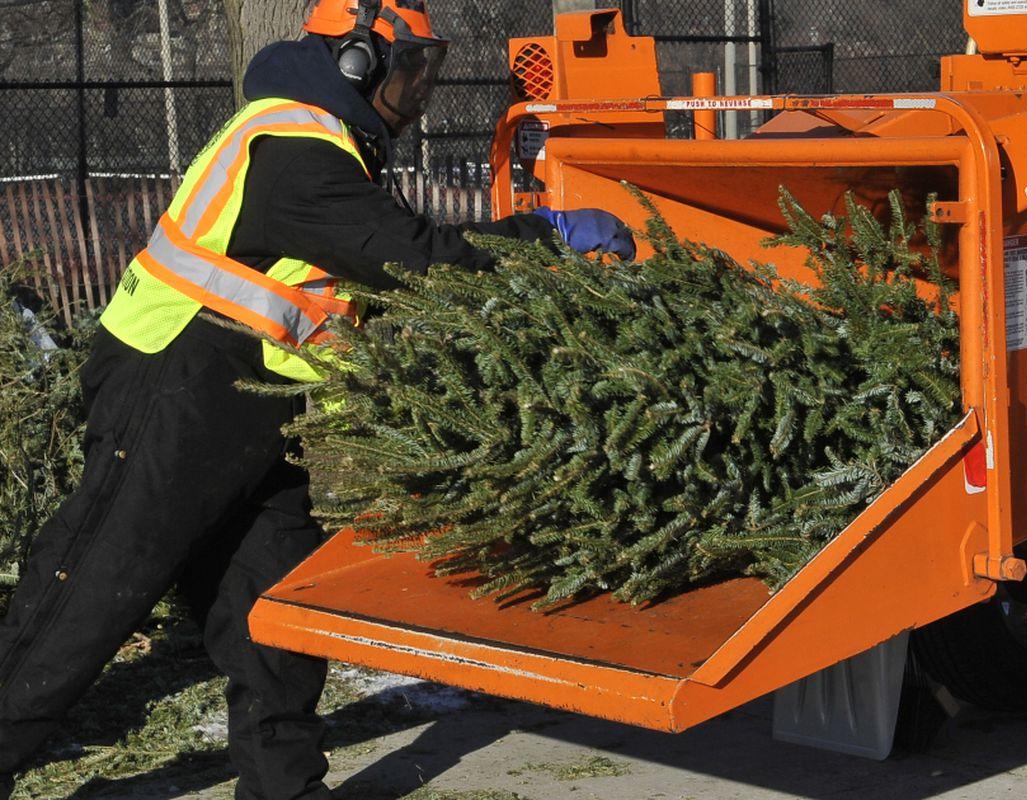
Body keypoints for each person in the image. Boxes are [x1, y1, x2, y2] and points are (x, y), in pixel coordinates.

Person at [0, 0, 633, 797]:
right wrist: (545, 240)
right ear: (357, 60)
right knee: (94, 590)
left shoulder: (331, 143)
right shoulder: (293, 144)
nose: (421, 88)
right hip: (178, 379)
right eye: (412, 67)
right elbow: (405, 257)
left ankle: (283, 787)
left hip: (256, 399)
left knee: (269, 604)